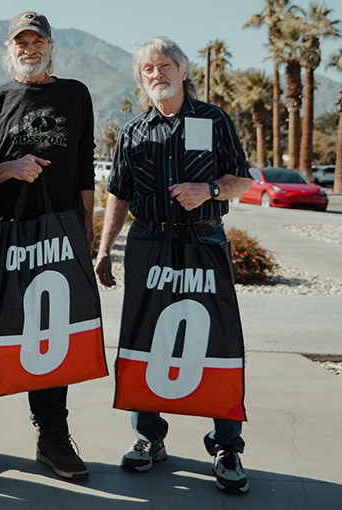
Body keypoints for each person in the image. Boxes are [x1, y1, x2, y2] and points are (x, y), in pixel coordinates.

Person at [94, 37, 253, 493]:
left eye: (164, 65)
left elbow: (242, 178)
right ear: (140, 78)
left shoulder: (213, 119)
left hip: (205, 240)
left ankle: (227, 446)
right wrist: (105, 249)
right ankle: (148, 437)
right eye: (147, 69)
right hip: (148, 242)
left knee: (217, 341)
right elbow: (119, 193)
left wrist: (210, 191)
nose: (156, 74)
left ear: (183, 72)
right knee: (146, 340)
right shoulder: (134, 130)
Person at [0, 12, 96, 480]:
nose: (29, 48)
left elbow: (85, 167)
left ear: (51, 47)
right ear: (8, 48)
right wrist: (9, 169)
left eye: (38, 41)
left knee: (50, 334)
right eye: (21, 41)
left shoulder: (75, 96)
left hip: (55, 236)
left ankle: (51, 435)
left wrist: (87, 233)